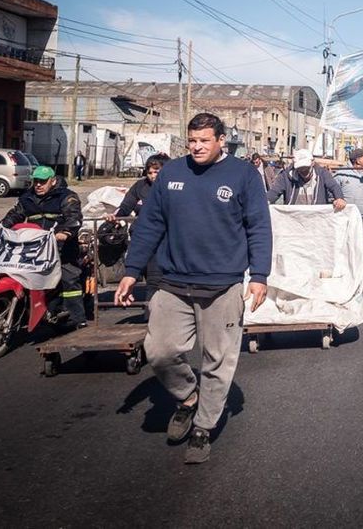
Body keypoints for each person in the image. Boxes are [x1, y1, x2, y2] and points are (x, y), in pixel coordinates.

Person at [114, 113, 272, 465]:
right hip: (173, 281)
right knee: (159, 350)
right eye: (192, 141)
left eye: (204, 141)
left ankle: (202, 426)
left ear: (221, 141)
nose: (197, 147)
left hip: (222, 284)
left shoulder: (244, 175)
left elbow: (259, 227)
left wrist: (259, 275)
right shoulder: (171, 173)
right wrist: (131, 270)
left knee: (218, 359)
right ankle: (188, 397)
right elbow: (150, 224)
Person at [0, 165, 87, 329]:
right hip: (32, 247)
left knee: (69, 278)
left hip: (60, 247)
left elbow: (74, 217)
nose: (38, 185)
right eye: (36, 181)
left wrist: (65, 232)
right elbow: (15, 214)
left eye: (42, 181)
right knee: (13, 269)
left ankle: (77, 318)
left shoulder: (66, 197)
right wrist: (0, 228)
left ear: (52, 181)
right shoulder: (27, 197)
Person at [107, 153, 170, 301]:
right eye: (150, 172)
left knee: (160, 278)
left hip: (166, 238)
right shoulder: (140, 186)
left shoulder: (173, 187)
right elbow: (125, 207)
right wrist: (115, 217)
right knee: (152, 278)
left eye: (157, 172)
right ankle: (151, 313)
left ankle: (156, 312)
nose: (153, 176)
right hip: (144, 237)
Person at [267, 148, 346, 209]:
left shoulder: (323, 174)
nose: (303, 171)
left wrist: (339, 198)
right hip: (293, 219)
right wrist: (265, 201)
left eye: (306, 168)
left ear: (312, 163)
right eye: (300, 169)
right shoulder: (286, 176)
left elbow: (334, 186)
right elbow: (274, 191)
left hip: (316, 219)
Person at [334, 148, 363, 232]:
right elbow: (332, 194)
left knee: (361, 242)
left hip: (362, 216)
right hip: (346, 216)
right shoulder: (342, 174)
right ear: (358, 160)